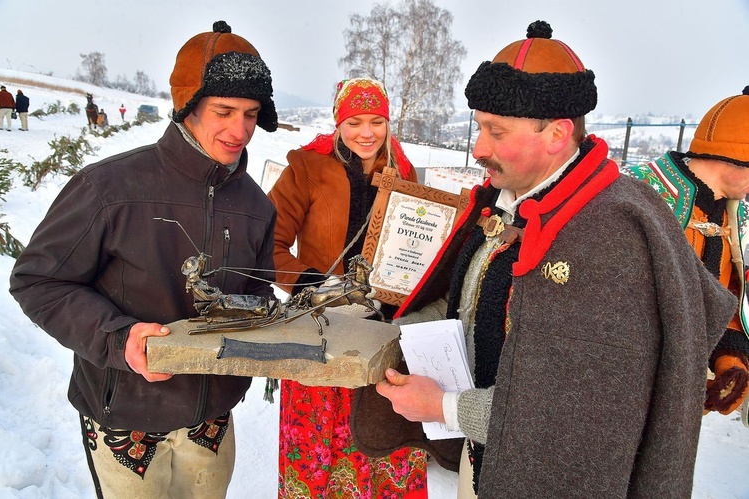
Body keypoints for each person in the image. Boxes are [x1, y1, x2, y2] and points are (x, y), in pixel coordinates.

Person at [375, 20, 736, 498]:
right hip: (486, 459)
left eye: (495, 131)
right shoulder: (512, 202)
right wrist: (395, 330)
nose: (479, 148)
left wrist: (443, 407)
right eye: (478, 127)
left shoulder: (610, 235)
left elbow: (578, 419)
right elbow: (473, 306)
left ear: (558, 133)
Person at [10, 20, 278, 498]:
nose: (239, 130)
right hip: (125, 416)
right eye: (224, 110)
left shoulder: (257, 206)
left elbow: (256, 292)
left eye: (251, 114)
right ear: (188, 106)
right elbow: (37, 281)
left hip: (211, 421)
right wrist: (120, 338)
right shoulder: (109, 189)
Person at [267, 78, 427, 498]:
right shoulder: (307, 168)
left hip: (383, 332)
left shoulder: (403, 174)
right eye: (354, 121)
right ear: (338, 123)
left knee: (380, 439)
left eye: (377, 121)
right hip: (322, 328)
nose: (367, 132)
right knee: (323, 442)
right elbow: (268, 242)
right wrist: (307, 282)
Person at [623, 86, 749, 424]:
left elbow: (730, 296)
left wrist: (729, 362)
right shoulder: (638, 196)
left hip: (677, 405)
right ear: (735, 157)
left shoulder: (735, 218)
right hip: (616, 388)